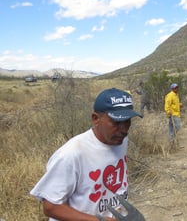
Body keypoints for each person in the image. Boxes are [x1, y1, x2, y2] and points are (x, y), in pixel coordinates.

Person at [30, 88, 143, 221]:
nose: (124, 129)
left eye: (127, 121)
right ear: (95, 119)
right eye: (116, 122)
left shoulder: (120, 139)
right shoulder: (71, 154)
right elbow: (50, 207)